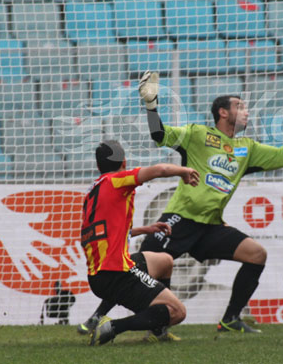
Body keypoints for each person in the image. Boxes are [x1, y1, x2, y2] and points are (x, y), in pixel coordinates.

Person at [138, 73, 283, 334]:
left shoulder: (247, 148)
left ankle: (230, 319)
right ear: (223, 113)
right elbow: (160, 135)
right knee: (141, 268)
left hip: (210, 227)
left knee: (257, 254)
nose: (247, 112)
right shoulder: (197, 134)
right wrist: (151, 106)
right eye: (241, 106)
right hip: (180, 220)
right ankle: (103, 317)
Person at [82, 140, 199, 345]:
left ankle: (157, 329)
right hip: (117, 273)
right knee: (178, 312)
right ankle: (112, 327)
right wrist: (184, 171)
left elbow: (105, 233)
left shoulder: (93, 192)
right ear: (124, 162)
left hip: (101, 273)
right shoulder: (116, 180)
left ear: (99, 166)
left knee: (165, 261)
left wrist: (146, 229)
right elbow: (160, 169)